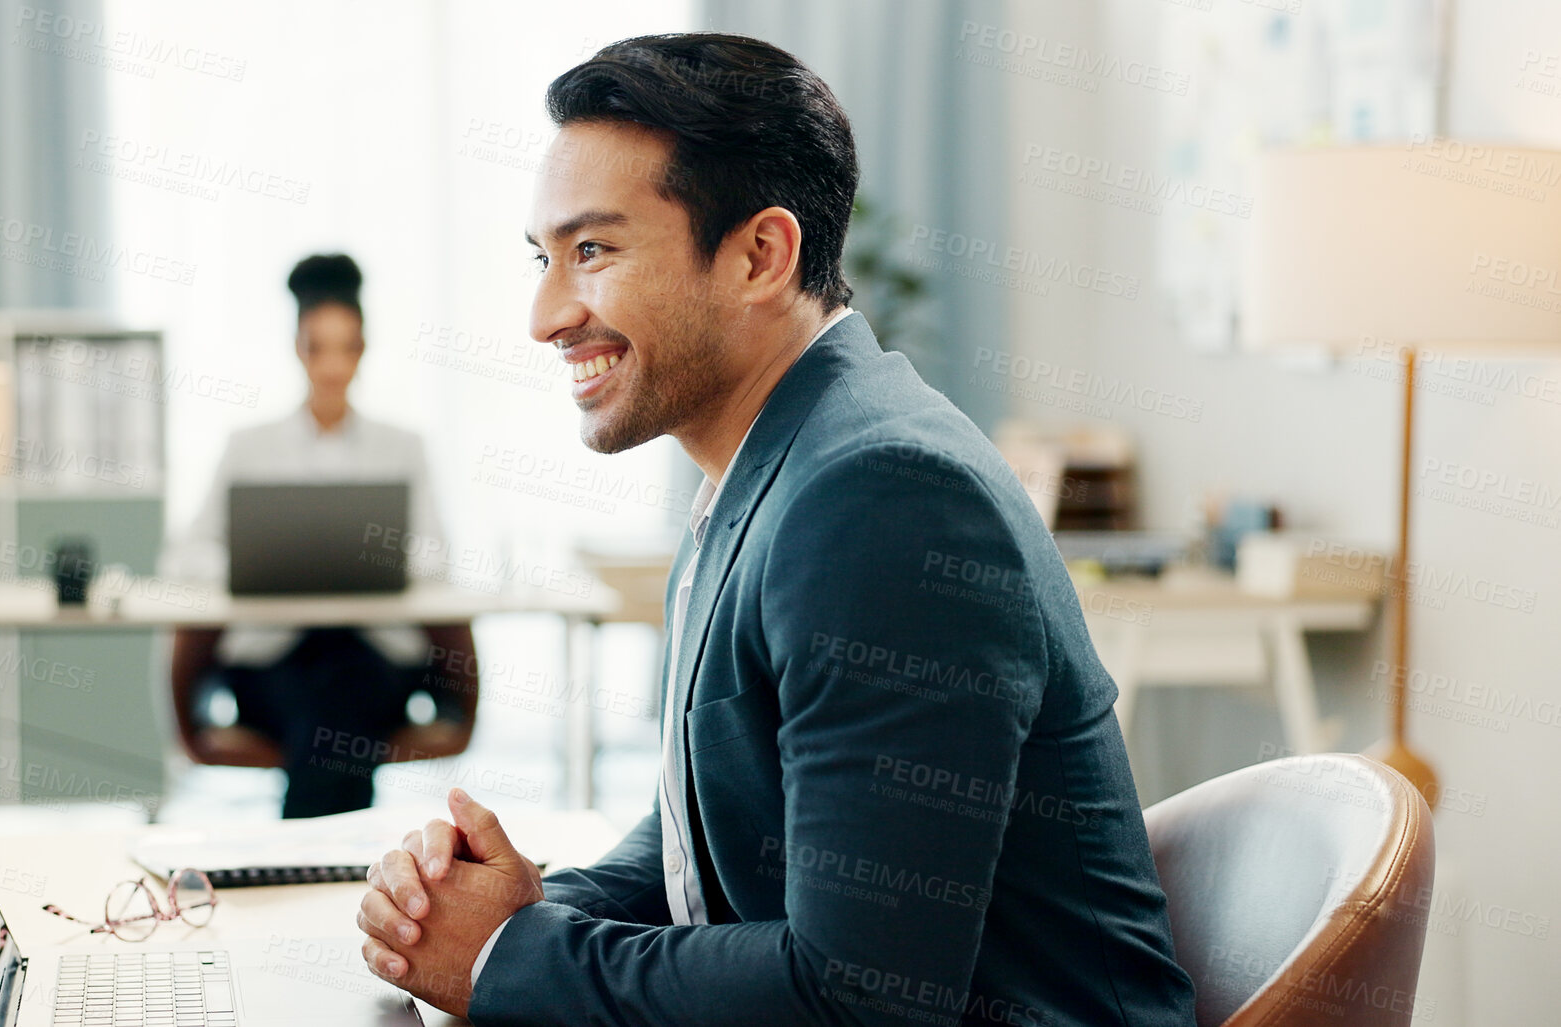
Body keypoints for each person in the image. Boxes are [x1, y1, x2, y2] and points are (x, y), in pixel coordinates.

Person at [353, 34, 1198, 1025]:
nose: (545, 315)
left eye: (593, 251)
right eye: (545, 258)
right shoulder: (775, 464)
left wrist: (505, 959)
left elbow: (860, 998)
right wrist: (503, 911)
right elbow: (718, 828)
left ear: (760, 255)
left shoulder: (884, 497)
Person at [168, 254, 478, 819]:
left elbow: (436, 557)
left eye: (347, 347)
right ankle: (349, 868)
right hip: (272, 656)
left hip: (375, 651)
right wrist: (253, 562)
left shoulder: (403, 446)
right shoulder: (248, 445)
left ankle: (300, 858)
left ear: (363, 350)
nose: (333, 365)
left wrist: (370, 553)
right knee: (332, 711)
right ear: (297, 348)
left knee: (340, 696)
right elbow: (187, 553)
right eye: (318, 347)